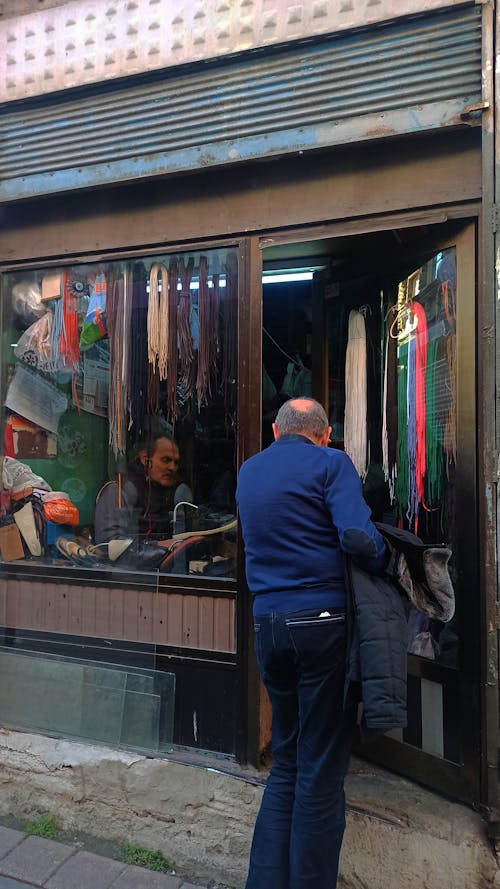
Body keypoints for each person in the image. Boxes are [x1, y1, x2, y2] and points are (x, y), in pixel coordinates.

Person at [236, 397, 387, 889]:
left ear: (277, 433)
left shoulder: (248, 471)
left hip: (268, 626)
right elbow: (358, 539)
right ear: (324, 435)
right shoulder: (332, 463)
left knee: (287, 761)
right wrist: (393, 556)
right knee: (320, 771)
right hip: (321, 624)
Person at [94, 433, 193, 563]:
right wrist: (162, 547)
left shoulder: (163, 491)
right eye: (165, 460)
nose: (172, 467)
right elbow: (110, 546)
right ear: (145, 459)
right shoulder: (119, 490)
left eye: (176, 462)